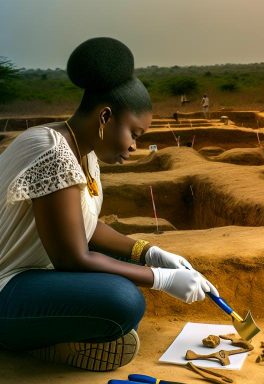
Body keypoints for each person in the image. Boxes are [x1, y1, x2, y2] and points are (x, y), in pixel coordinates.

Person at [0, 37, 218, 372]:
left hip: (29, 276)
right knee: (123, 300)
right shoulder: (52, 152)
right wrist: (160, 278)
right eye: (134, 133)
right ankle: (38, 345)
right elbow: (73, 256)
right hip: (7, 285)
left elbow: (83, 226)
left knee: (120, 271)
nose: (134, 147)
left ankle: (51, 336)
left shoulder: (80, 151)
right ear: (105, 118)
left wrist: (149, 252)